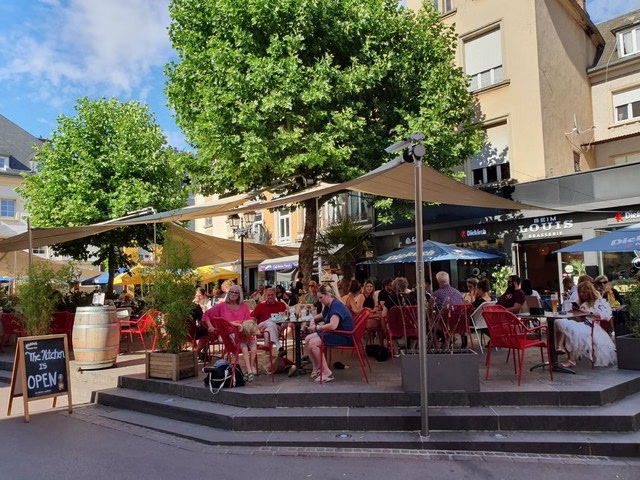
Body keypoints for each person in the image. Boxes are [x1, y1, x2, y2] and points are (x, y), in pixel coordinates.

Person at [555, 281, 616, 368]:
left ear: (589, 291)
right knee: (560, 322)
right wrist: (575, 313)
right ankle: (560, 348)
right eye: (580, 292)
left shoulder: (598, 302)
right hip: (581, 324)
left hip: (591, 326)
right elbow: (579, 319)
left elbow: (606, 315)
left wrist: (588, 312)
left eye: (583, 292)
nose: (581, 294)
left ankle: (568, 357)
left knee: (566, 327)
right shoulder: (580, 303)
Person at [205, 285, 258, 381]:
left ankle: (251, 367)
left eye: (236, 293)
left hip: (242, 332)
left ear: (239, 295)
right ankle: (247, 370)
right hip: (227, 334)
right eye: (231, 292)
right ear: (228, 293)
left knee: (253, 343)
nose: (233, 294)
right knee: (243, 346)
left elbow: (247, 323)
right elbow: (206, 314)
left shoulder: (244, 306)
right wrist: (210, 326)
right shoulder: (222, 306)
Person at [304, 285, 354, 383]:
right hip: (337, 333)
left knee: (313, 343)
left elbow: (333, 325)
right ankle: (317, 368)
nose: (319, 300)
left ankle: (327, 372)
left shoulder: (336, 306)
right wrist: (313, 319)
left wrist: (317, 327)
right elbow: (322, 315)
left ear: (327, 295)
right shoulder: (329, 305)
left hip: (344, 336)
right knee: (307, 339)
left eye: (321, 297)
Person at [250, 287, 288, 357]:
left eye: (272, 295)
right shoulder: (260, 306)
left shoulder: (281, 305)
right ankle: (278, 346)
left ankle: (268, 356)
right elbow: (252, 318)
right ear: (265, 296)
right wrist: (252, 328)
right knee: (270, 322)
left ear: (275, 295)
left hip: (276, 328)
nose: (270, 297)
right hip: (261, 327)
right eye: (268, 295)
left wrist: (284, 322)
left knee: (268, 332)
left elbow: (286, 318)